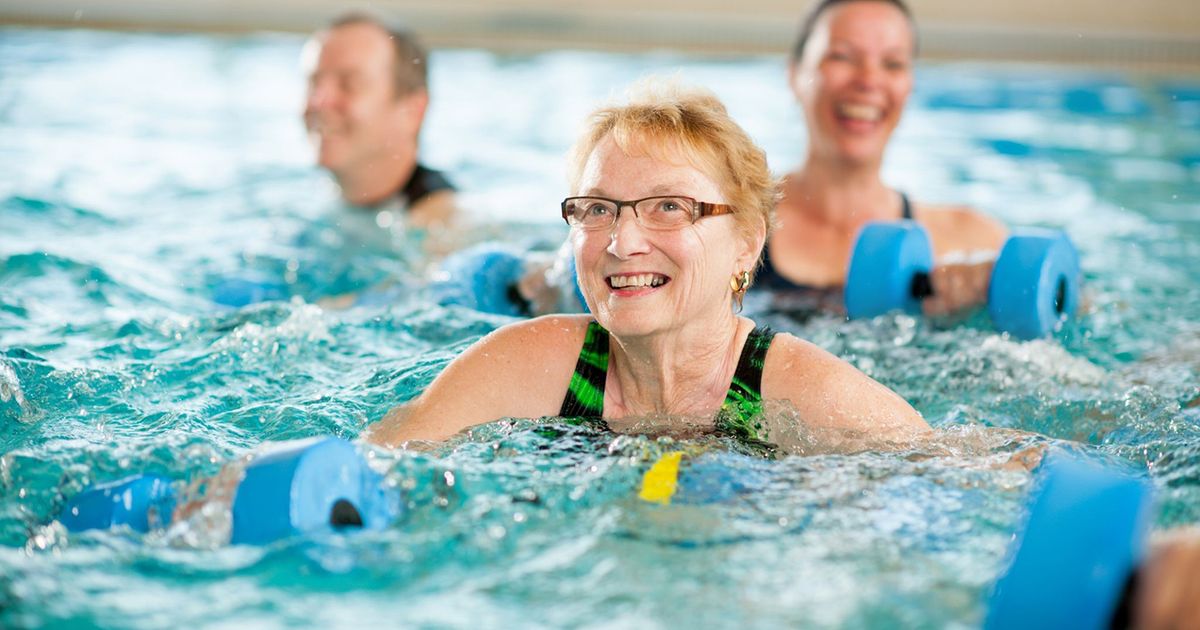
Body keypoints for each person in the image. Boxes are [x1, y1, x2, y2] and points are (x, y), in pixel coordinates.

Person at [367, 81, 931, 447]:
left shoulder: (809, 397)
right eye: (597, 209)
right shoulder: (525, 367)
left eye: (670, 207)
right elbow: (378, 464)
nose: (622, 241)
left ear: (746, 242)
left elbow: (956, 484)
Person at [759, 0, 1008, 316]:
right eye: (842, 56)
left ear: (909, 85)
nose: (868, 80)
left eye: (892, 64)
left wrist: (987, 292)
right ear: (795, 75)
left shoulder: (972, 241)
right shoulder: (736, 223)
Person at [302, 13, 456, 228]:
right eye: (314, 82)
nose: (318, 102)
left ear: (412, 111)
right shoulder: (313, 196)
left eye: (349, 84)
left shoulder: (445, 229)